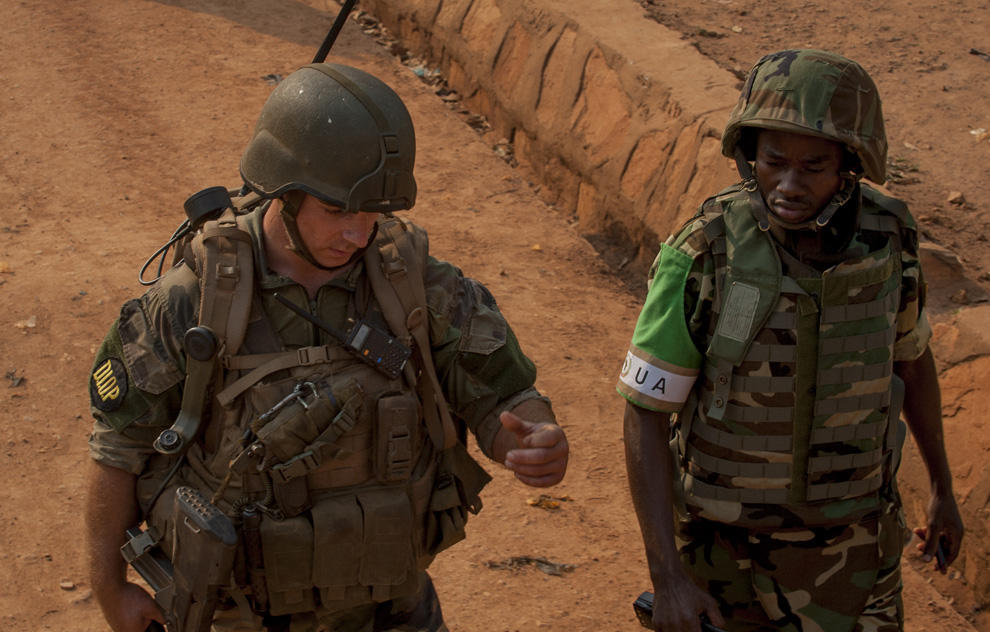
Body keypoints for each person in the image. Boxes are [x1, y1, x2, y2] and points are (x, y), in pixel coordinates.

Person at [85, 62, 569, 632]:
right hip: (241, 618)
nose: (358, 234)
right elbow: (119, 450)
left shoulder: (414, 285)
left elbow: (501, 396)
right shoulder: (192, 302)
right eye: (337, 210)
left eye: (373, 213)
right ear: (282, 193)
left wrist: (532, 438)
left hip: (393, 607)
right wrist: (110, 588)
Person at [618, 49, 963, 632]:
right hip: (726, 554)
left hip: (856, 547)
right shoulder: (704, 251)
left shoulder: (888, 238)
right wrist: (668, 578)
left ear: (850, 164)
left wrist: (942, 488)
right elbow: (645, 411)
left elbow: (911, 360)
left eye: (813, 166)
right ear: (749, 155)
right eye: (773, 162)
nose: (789, 184)